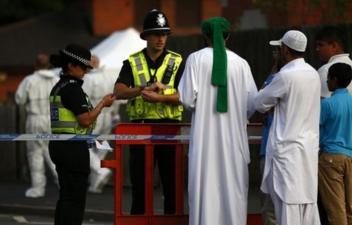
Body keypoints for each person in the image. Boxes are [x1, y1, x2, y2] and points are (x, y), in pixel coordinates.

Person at [178, 17, 258, 225]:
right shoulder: (241, 64)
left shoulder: (195, 59)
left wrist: (204, 104)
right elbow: (252, 104)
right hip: (234, 143)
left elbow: (186, 99)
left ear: (205, 36)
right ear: (228, 36)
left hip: (205, 143)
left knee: (204, 192)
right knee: (233, 192)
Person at [113, 9, 184, 214]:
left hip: (170, 129)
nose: (161, 38)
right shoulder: (132, 61)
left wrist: (161, 96)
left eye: (164, 34)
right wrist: (141, 90)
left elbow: (186, 95)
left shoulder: (178, 62)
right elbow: (118, 91)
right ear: (146, 36)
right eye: (156, 34)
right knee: (140, 186)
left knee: (172, 186)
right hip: (140, 129)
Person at [255, 30, 321, 225]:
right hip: (307, 150)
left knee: (286, 205)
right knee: (308, 203)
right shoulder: (313, 74)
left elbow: (260, 103)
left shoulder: (285, 76)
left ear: (285, 50)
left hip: (287, 151)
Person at [49, 44, 115, 225]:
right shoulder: (72, 88)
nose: (86, 70)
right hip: (72, 149)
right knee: (75, 200)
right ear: (71, 65)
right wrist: (102, 103)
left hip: (60, 145)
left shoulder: (58, 86)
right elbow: (85, 120)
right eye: (82, 66)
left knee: (66, 197)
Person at [318, 63, 352, 225]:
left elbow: (315, 126)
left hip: (330, 157)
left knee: (336, 208)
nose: (326, 82)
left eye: (328, 78)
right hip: (351, 157)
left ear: (334, 79)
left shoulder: (327, 104)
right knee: (350, 205)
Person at [15, 53, 59, 198]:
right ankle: (62, 182)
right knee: (53, 152)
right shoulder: (57, 80)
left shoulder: (29, 80)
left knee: (35, 154)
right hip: (53, 119)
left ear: (35, 65)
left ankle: (38, 189)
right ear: (49, 66)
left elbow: (19, 99)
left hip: (35, 119)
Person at [258, 45, 282, 225]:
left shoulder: (278, 79)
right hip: (276, 149)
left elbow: (259, 104)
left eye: (278, 51)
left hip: (271, 151)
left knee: (270, 207)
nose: (274, 53)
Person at [82, 55, 113, 194]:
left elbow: (83, 97)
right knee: (100, 147)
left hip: (95, 115)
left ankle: (100, 171)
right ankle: (95, 182)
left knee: (83, 145)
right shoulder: (109, 77)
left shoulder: (88, 79)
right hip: (108, 117)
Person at [315, 25, 352, 101]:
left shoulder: (325, 70)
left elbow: (321, 106)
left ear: (334, 46)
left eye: (320, 45)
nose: (317, 49)